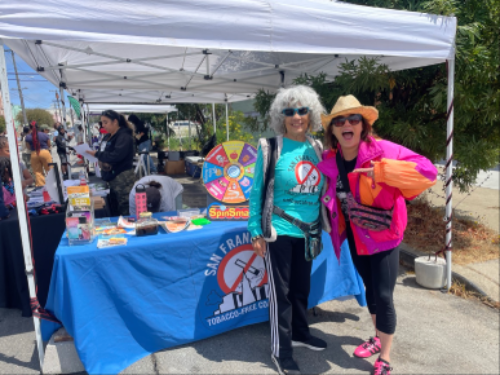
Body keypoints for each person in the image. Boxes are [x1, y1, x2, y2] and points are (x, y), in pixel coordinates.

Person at [318, 95, 438, 375]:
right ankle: (377, 335)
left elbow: (428, 171)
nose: (347, 124)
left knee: (384, 295)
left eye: (353, 119)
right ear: (333, 130)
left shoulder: (383, 150)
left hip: (384, 236)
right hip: (357, 237)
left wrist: (384, 172)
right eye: (340, 121)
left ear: (363, 126)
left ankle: (384, 357)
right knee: (370, 288)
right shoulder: (331, 160)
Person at [247, 86, 331, 375]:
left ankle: (300, 333)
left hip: (309, 232)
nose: (297, 116)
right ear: (280, 116)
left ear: (311, 114)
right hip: (279, 231)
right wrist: (255, 231)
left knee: (301, 289)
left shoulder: (318, 148)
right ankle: (280, 351)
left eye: (302, 110)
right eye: (289, 111)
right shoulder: (270, 147)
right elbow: (256, 191)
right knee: (280, 294)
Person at [86, 110, 136, 217]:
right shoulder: (107, 136)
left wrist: (97, 154)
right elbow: (104, 152)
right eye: (102, 123)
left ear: (115, 122)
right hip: (110, 177)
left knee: (124, 207)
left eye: (105, 122)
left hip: (122, 178)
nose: (103, 126)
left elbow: (116, 155)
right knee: (113, 207)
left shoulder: (124, 136)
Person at [25, 122, 53, 186]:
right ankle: (52, 184)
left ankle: (41, 186)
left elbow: (28, 147)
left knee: (37, 172)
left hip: (34, 153)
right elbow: (49, 145)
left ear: (30, 128)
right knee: (49, 169)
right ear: (38, 127)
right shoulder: (44, 135)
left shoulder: (28, 137)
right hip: (44, 152)